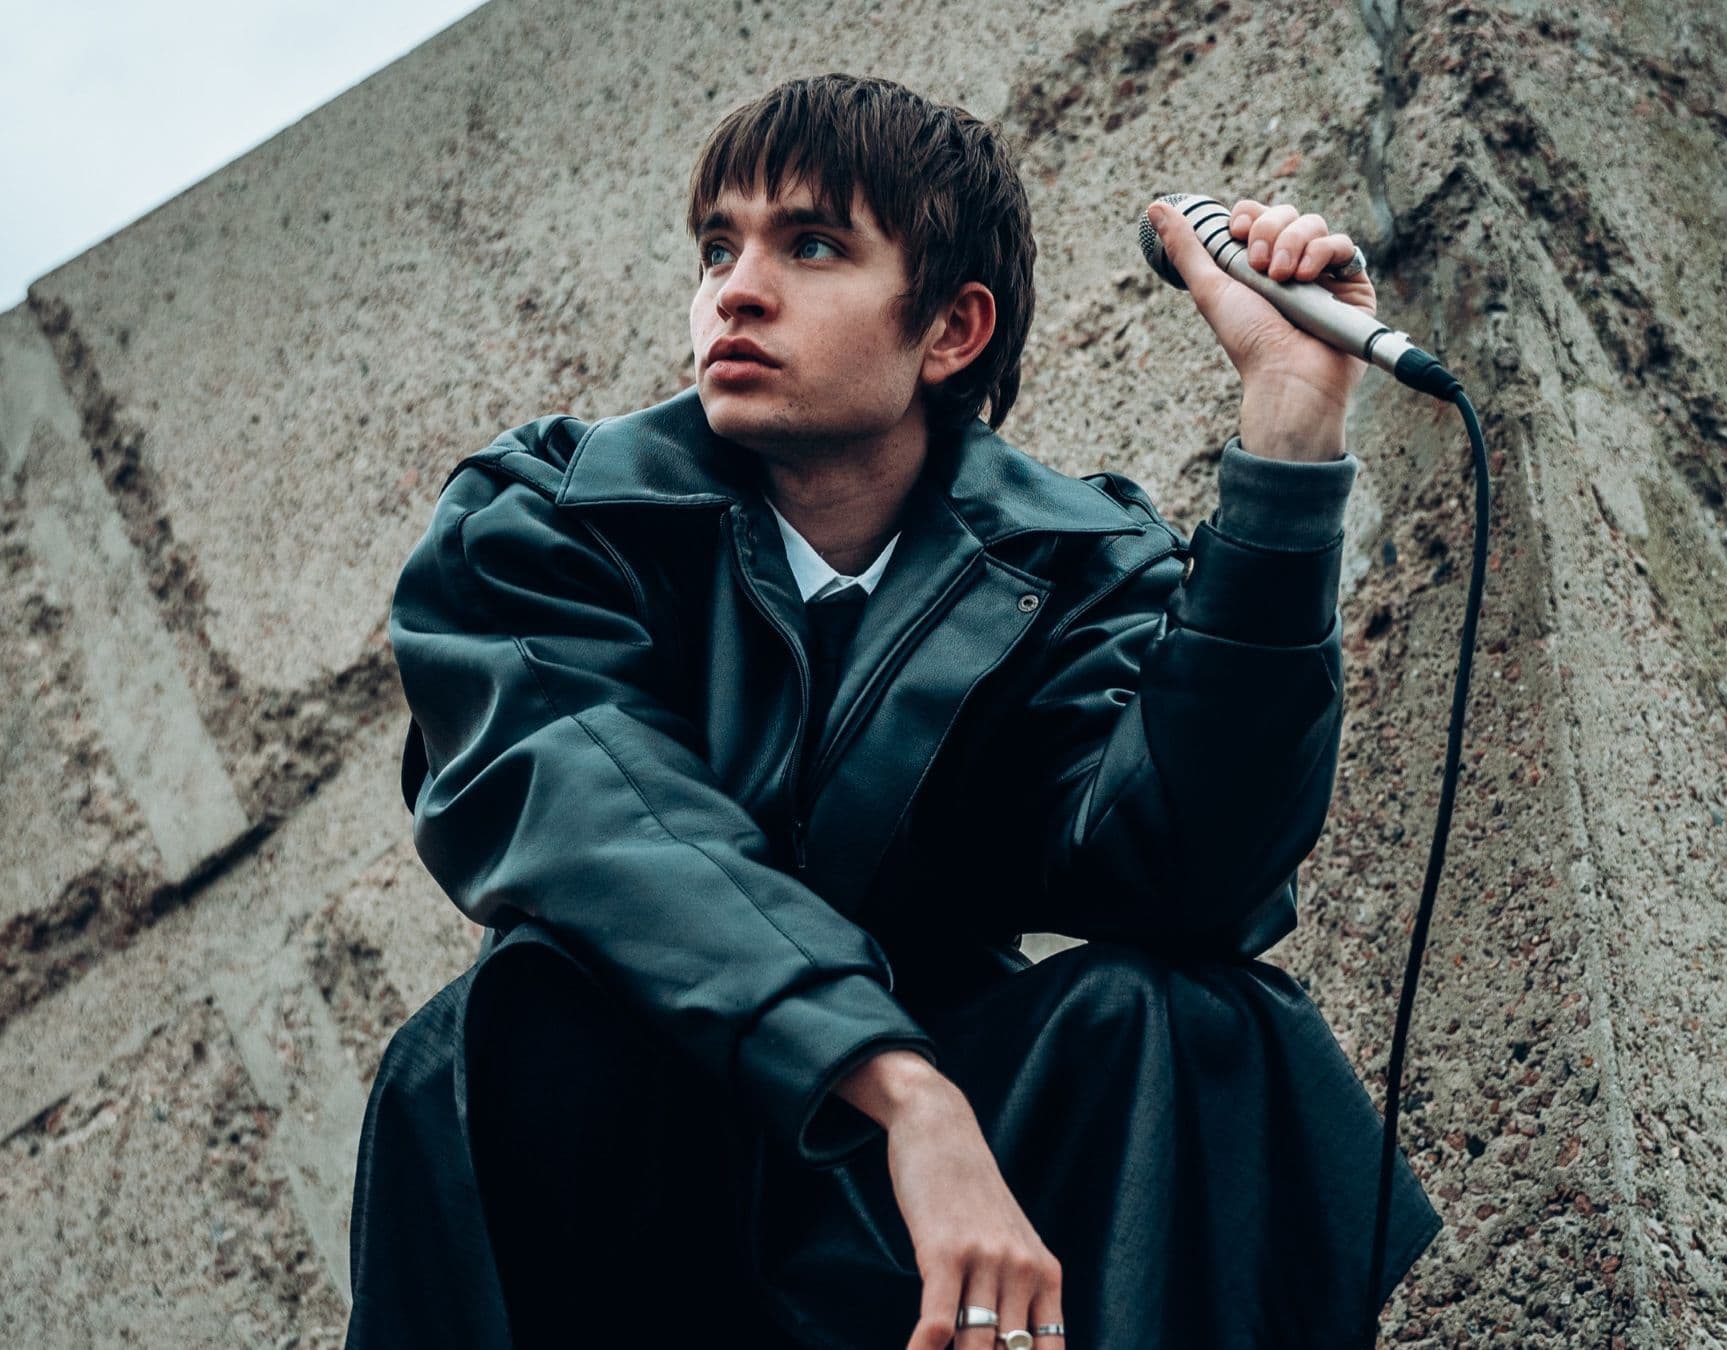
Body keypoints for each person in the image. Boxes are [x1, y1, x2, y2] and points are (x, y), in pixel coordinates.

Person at [347, 72, 1443, 1350]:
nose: (736, 291)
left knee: (1196, 1022)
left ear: (952, 330)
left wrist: (1290, 440)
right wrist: (902, 1091)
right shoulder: (550, 514)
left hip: (900, 1228)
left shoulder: (1074, 567)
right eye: (718, 248)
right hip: (621, 1205)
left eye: (811, 245)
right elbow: (597, 822)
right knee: (529, 1012)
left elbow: (1192, 879)